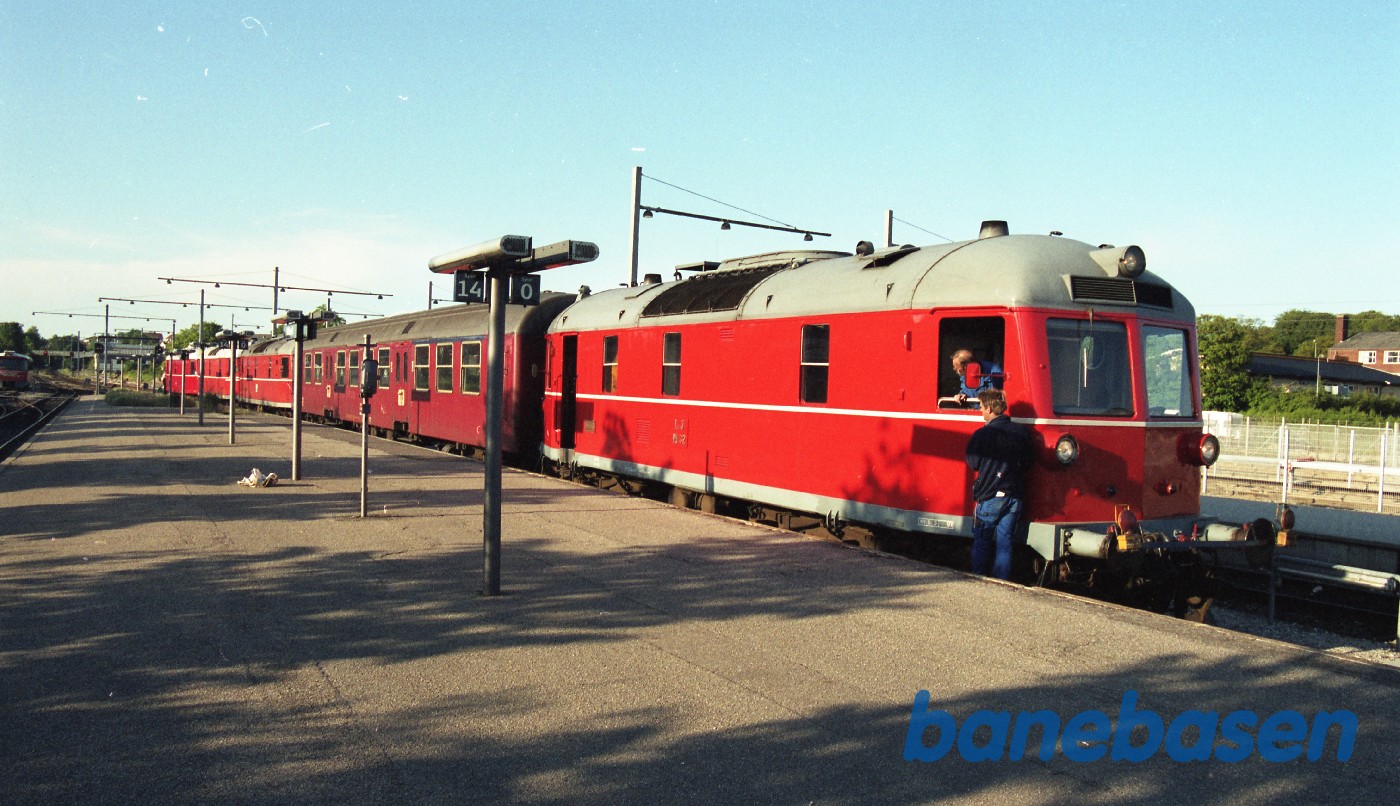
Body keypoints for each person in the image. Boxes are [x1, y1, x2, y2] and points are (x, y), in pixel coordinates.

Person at [965, 388, 1032, 580]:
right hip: (1015, 495)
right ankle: (1001, 582)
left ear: (989, 408)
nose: (981, 411)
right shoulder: (1021, 432)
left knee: (982, 541)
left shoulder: (982, 434)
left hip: (990, 495)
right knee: (1005, 543)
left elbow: (973, 463)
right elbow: (1028, 461)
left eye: (981, 407)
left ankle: (979, 579)